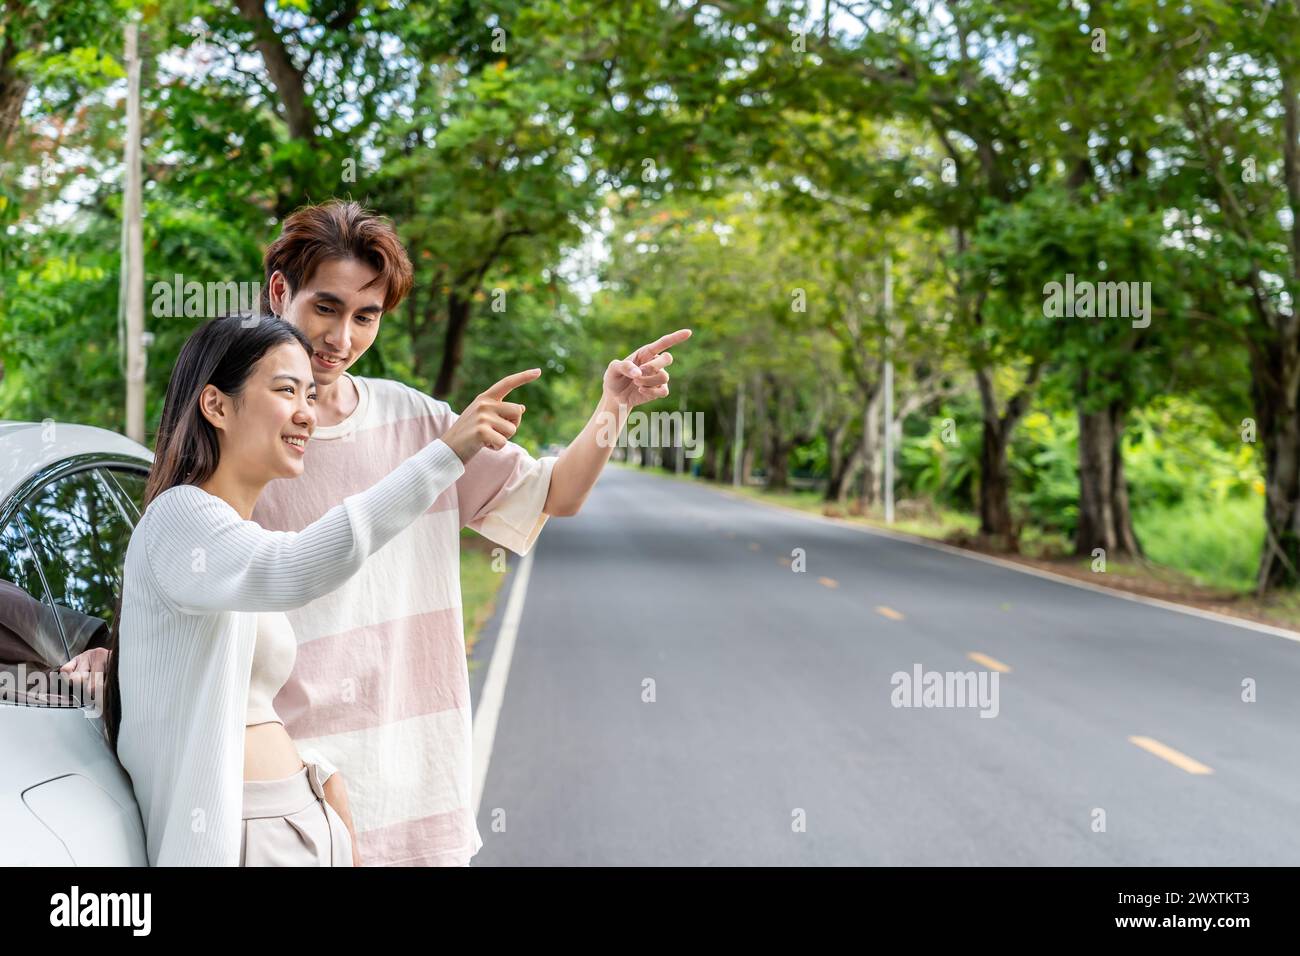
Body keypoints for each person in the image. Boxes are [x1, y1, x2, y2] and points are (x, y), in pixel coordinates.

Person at [67, 199, 691, 866]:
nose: (342, 337)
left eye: (365, 316)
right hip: (284, 806)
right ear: (279, 292)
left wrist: (613, 407)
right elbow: (222, 580)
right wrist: (118, 655)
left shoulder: (418, 421)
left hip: (418, 786)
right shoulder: (247, 449)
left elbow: (556, 493)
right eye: (326, 308)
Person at [102, 312, 535, 866]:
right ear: (216, 406)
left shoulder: (233, 532)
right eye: (286, 391)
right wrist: (445, 454)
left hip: (302, 822)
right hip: (248, 841)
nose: (307, 413)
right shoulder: (180, 518)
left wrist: (323, 790)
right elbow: (296, 567)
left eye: (310, 394)